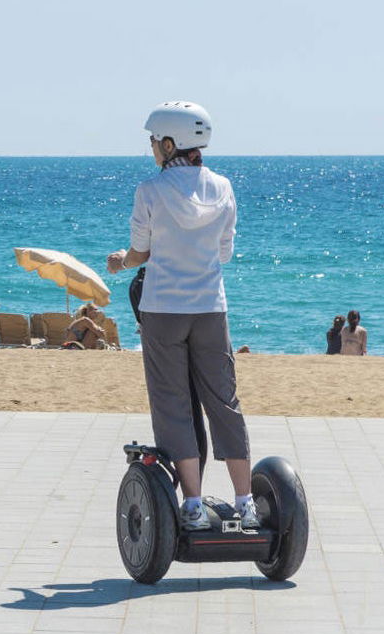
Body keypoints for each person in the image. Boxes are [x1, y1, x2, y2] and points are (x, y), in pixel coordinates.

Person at [106, 101, 257, 531]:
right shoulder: (224, 188)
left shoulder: (150, 191)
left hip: (163, 310)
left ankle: (192, 504)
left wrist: (121, 262)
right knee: (224, 403)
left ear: (170, 143)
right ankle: (245, 501)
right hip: (211, 309)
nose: (152, 148)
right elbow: (223, 252)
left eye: (155, 140)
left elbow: (140, 251)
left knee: (173, 405)